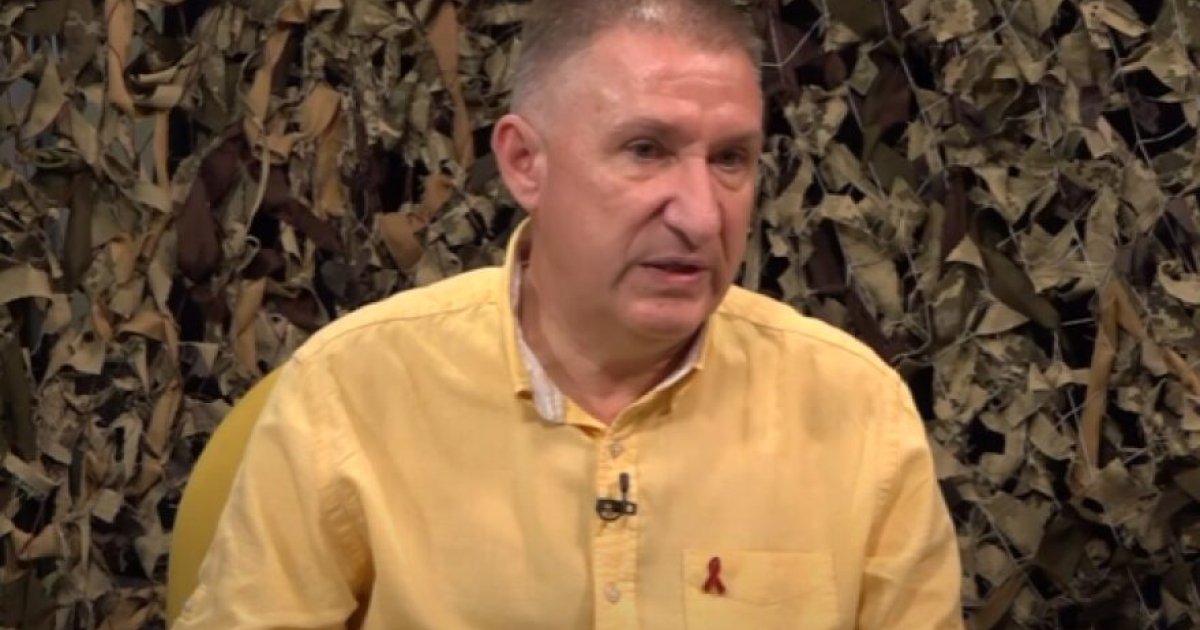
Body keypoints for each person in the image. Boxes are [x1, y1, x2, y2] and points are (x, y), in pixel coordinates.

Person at [173, 0, 964, 628]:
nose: (700, 214)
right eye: (646, 150)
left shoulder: (856, 410)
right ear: (525, 162)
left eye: (731, 159)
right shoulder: (354, 389)